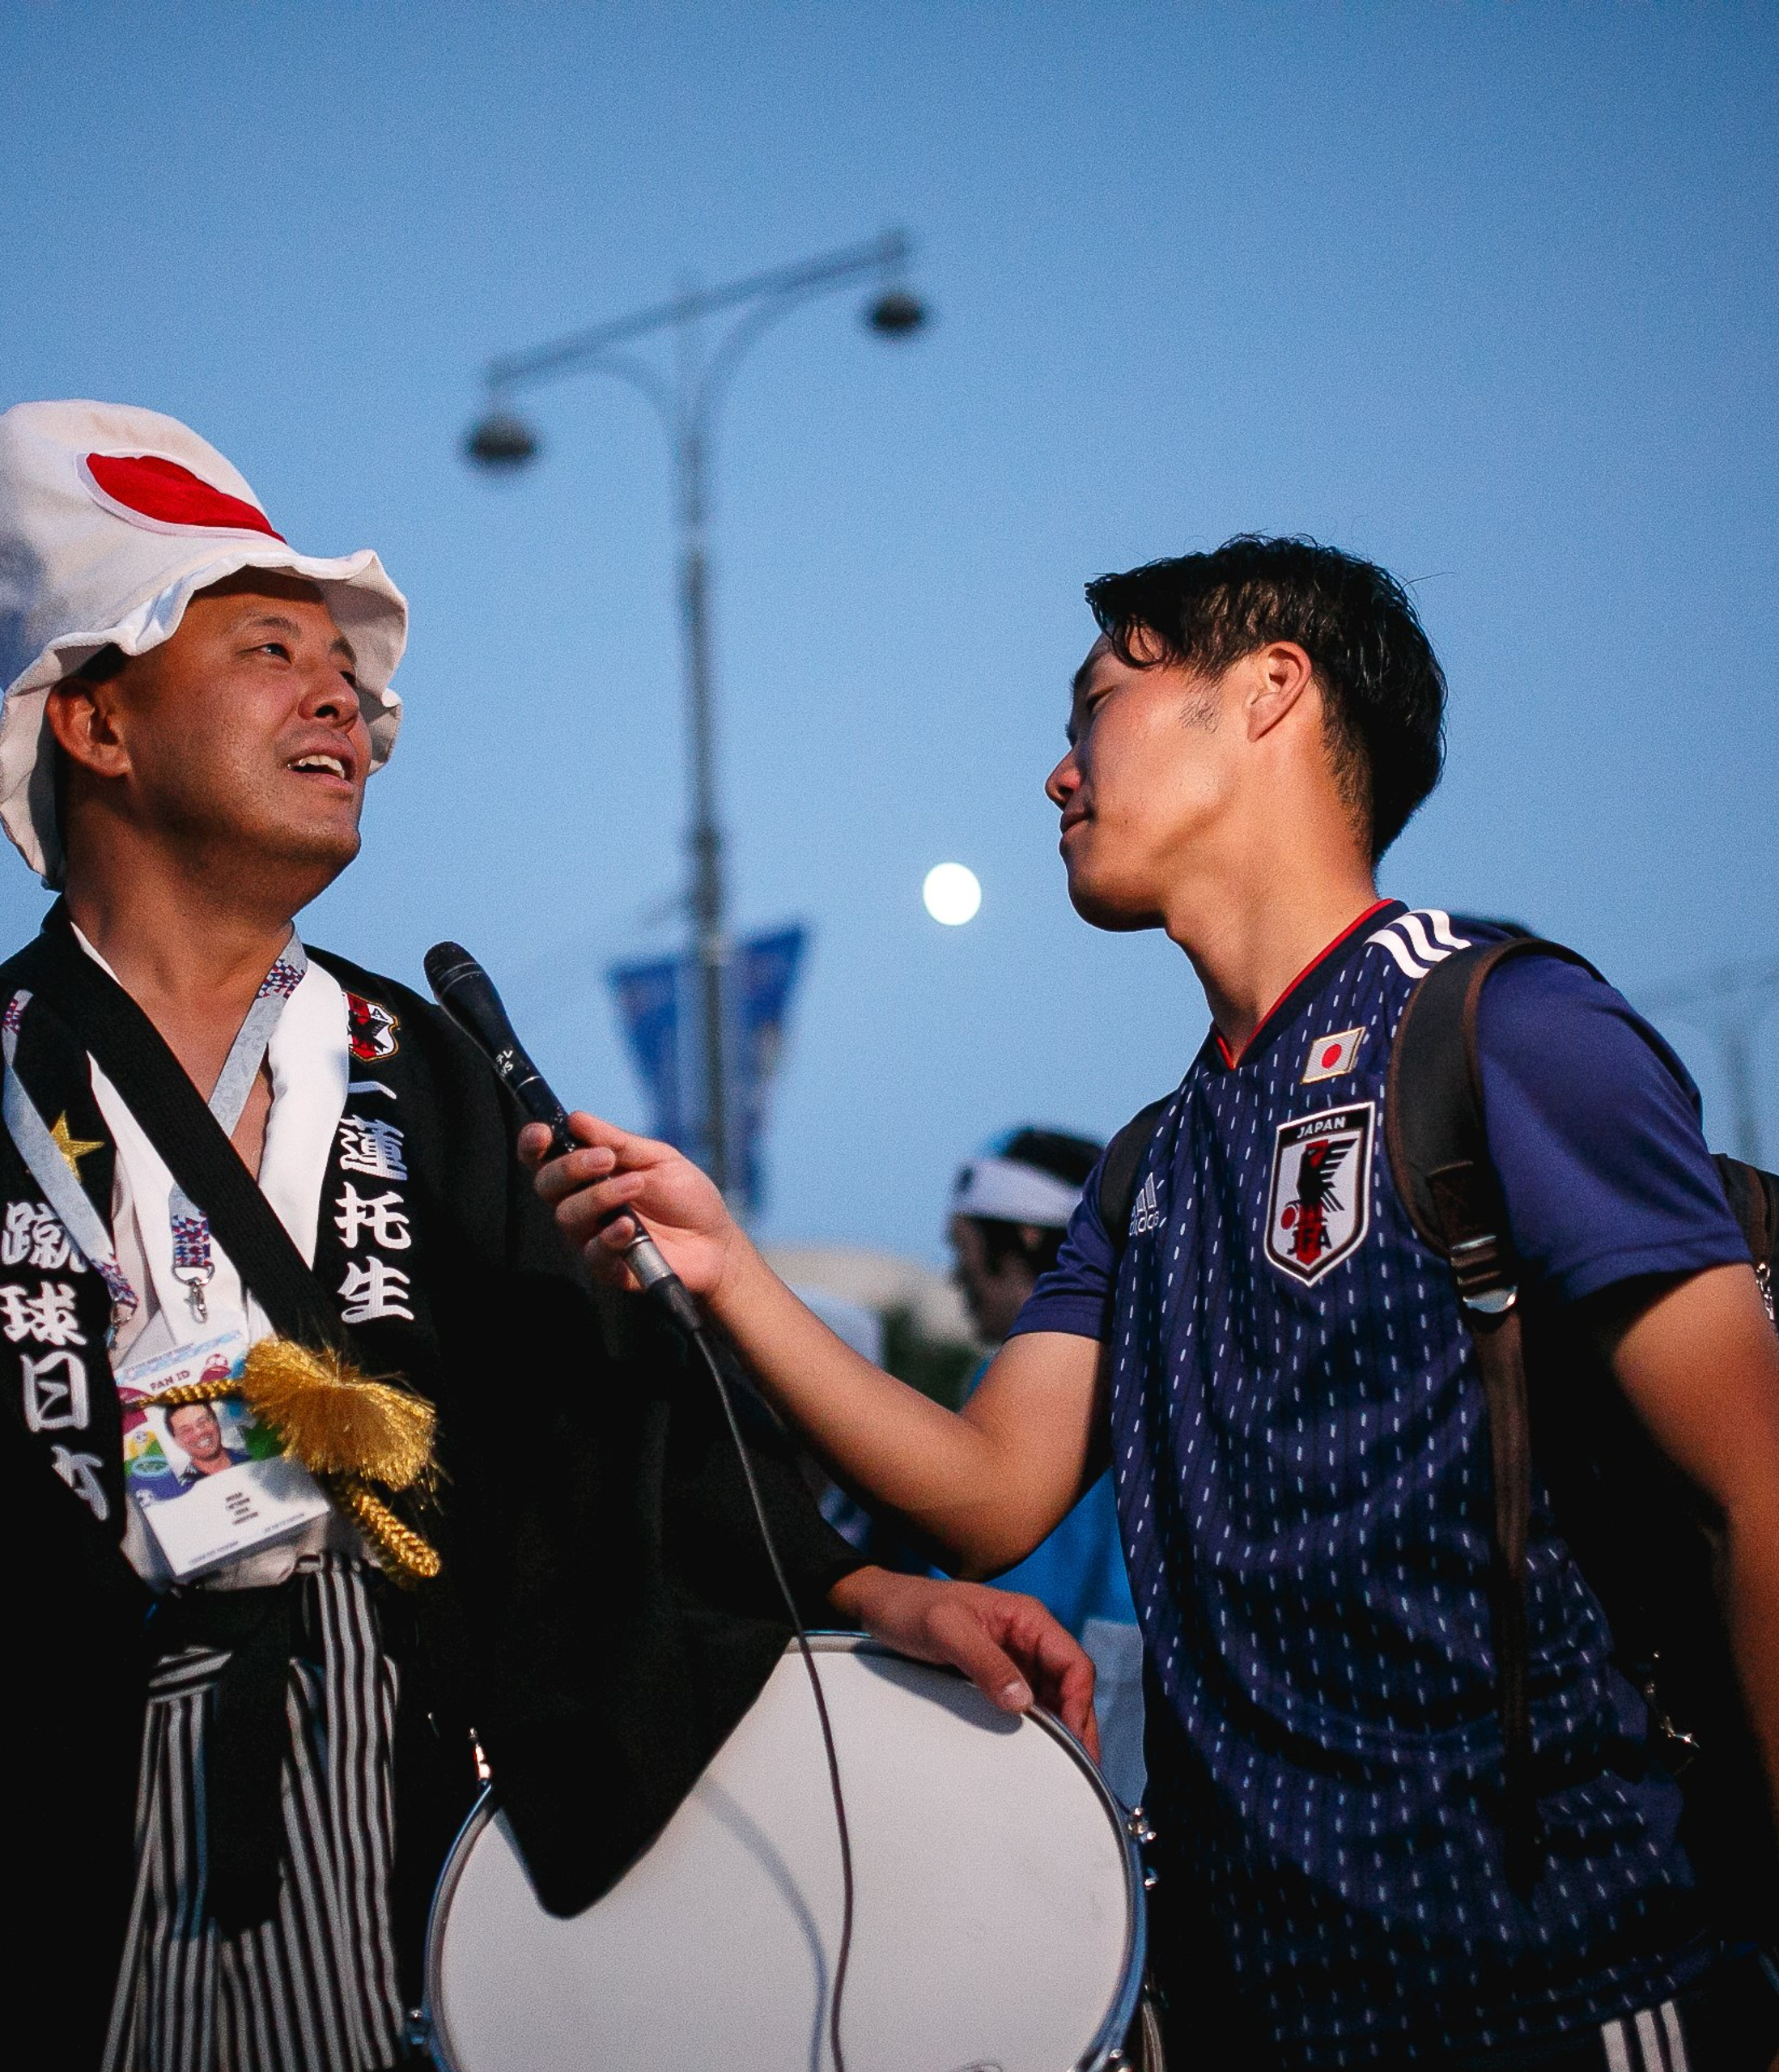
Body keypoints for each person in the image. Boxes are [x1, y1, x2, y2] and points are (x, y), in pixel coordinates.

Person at [0, 401, 1089, 2072]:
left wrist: (866, 1584)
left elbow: (605, 1430)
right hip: (12, 1863)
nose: (342, 700)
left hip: (389, 1833)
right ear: (93, 722)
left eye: (349, 674)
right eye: (268, 648)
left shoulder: (419, 1066)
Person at [533, 536, 1779, 2069]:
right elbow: (990, 1494)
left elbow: (1756, 1498)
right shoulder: (1155, 1160)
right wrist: (729, 1270)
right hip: (1256, 2011)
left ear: (1268, 691)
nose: (1059, 777)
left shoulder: (1508, 1028)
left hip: (1569, 1992)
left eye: (1097, 705)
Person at [948, 1127, 1146, 1807]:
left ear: (1026, 1242)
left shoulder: (1016, 1389)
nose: (955, 1278)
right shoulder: (1155, 1354)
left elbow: (998, 1596)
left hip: (1055, 1727)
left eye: (964, 1252)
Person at [164, 1398, 247, 1482]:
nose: (199, 1433)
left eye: (202, 1422)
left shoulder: (253, 1459)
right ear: (177, 1441)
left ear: (215, 1420)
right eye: (187, 1430)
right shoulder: (184, 1489)